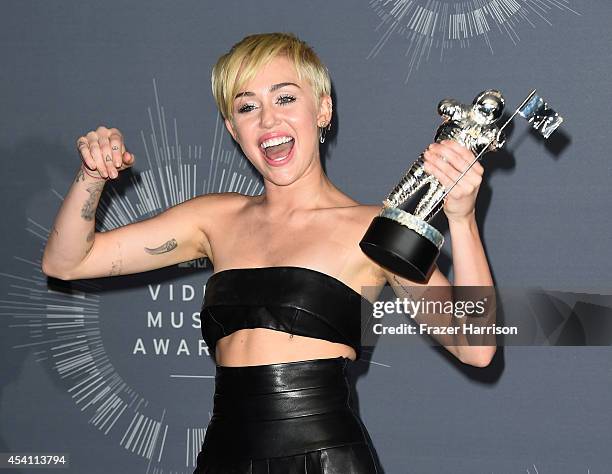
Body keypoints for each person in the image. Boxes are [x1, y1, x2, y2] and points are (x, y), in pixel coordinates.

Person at [42, 32, 496, 474]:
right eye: (246, 106)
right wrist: (90, 175)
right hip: (223, 458)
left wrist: (461, 219)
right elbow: (66, 262)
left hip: (326, 460)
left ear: (323, 109)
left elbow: (476, 348)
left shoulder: (376, 225)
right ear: (232, 129)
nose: (267, 121)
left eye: (284, 98)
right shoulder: (213, 218)